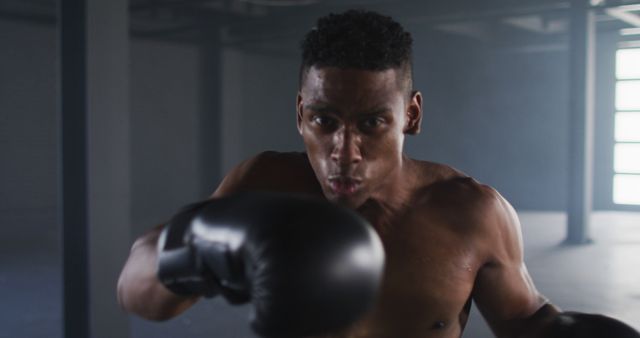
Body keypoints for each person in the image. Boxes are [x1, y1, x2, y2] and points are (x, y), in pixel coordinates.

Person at [117, 9, 640, 338]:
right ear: (300, 114)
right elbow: (137, 294)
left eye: (372, 122)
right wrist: (193, 247)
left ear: (410, 115)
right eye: (324, 120)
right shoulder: (264, 183)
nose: (345, 152)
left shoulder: (472, 212)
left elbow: (527, 321)